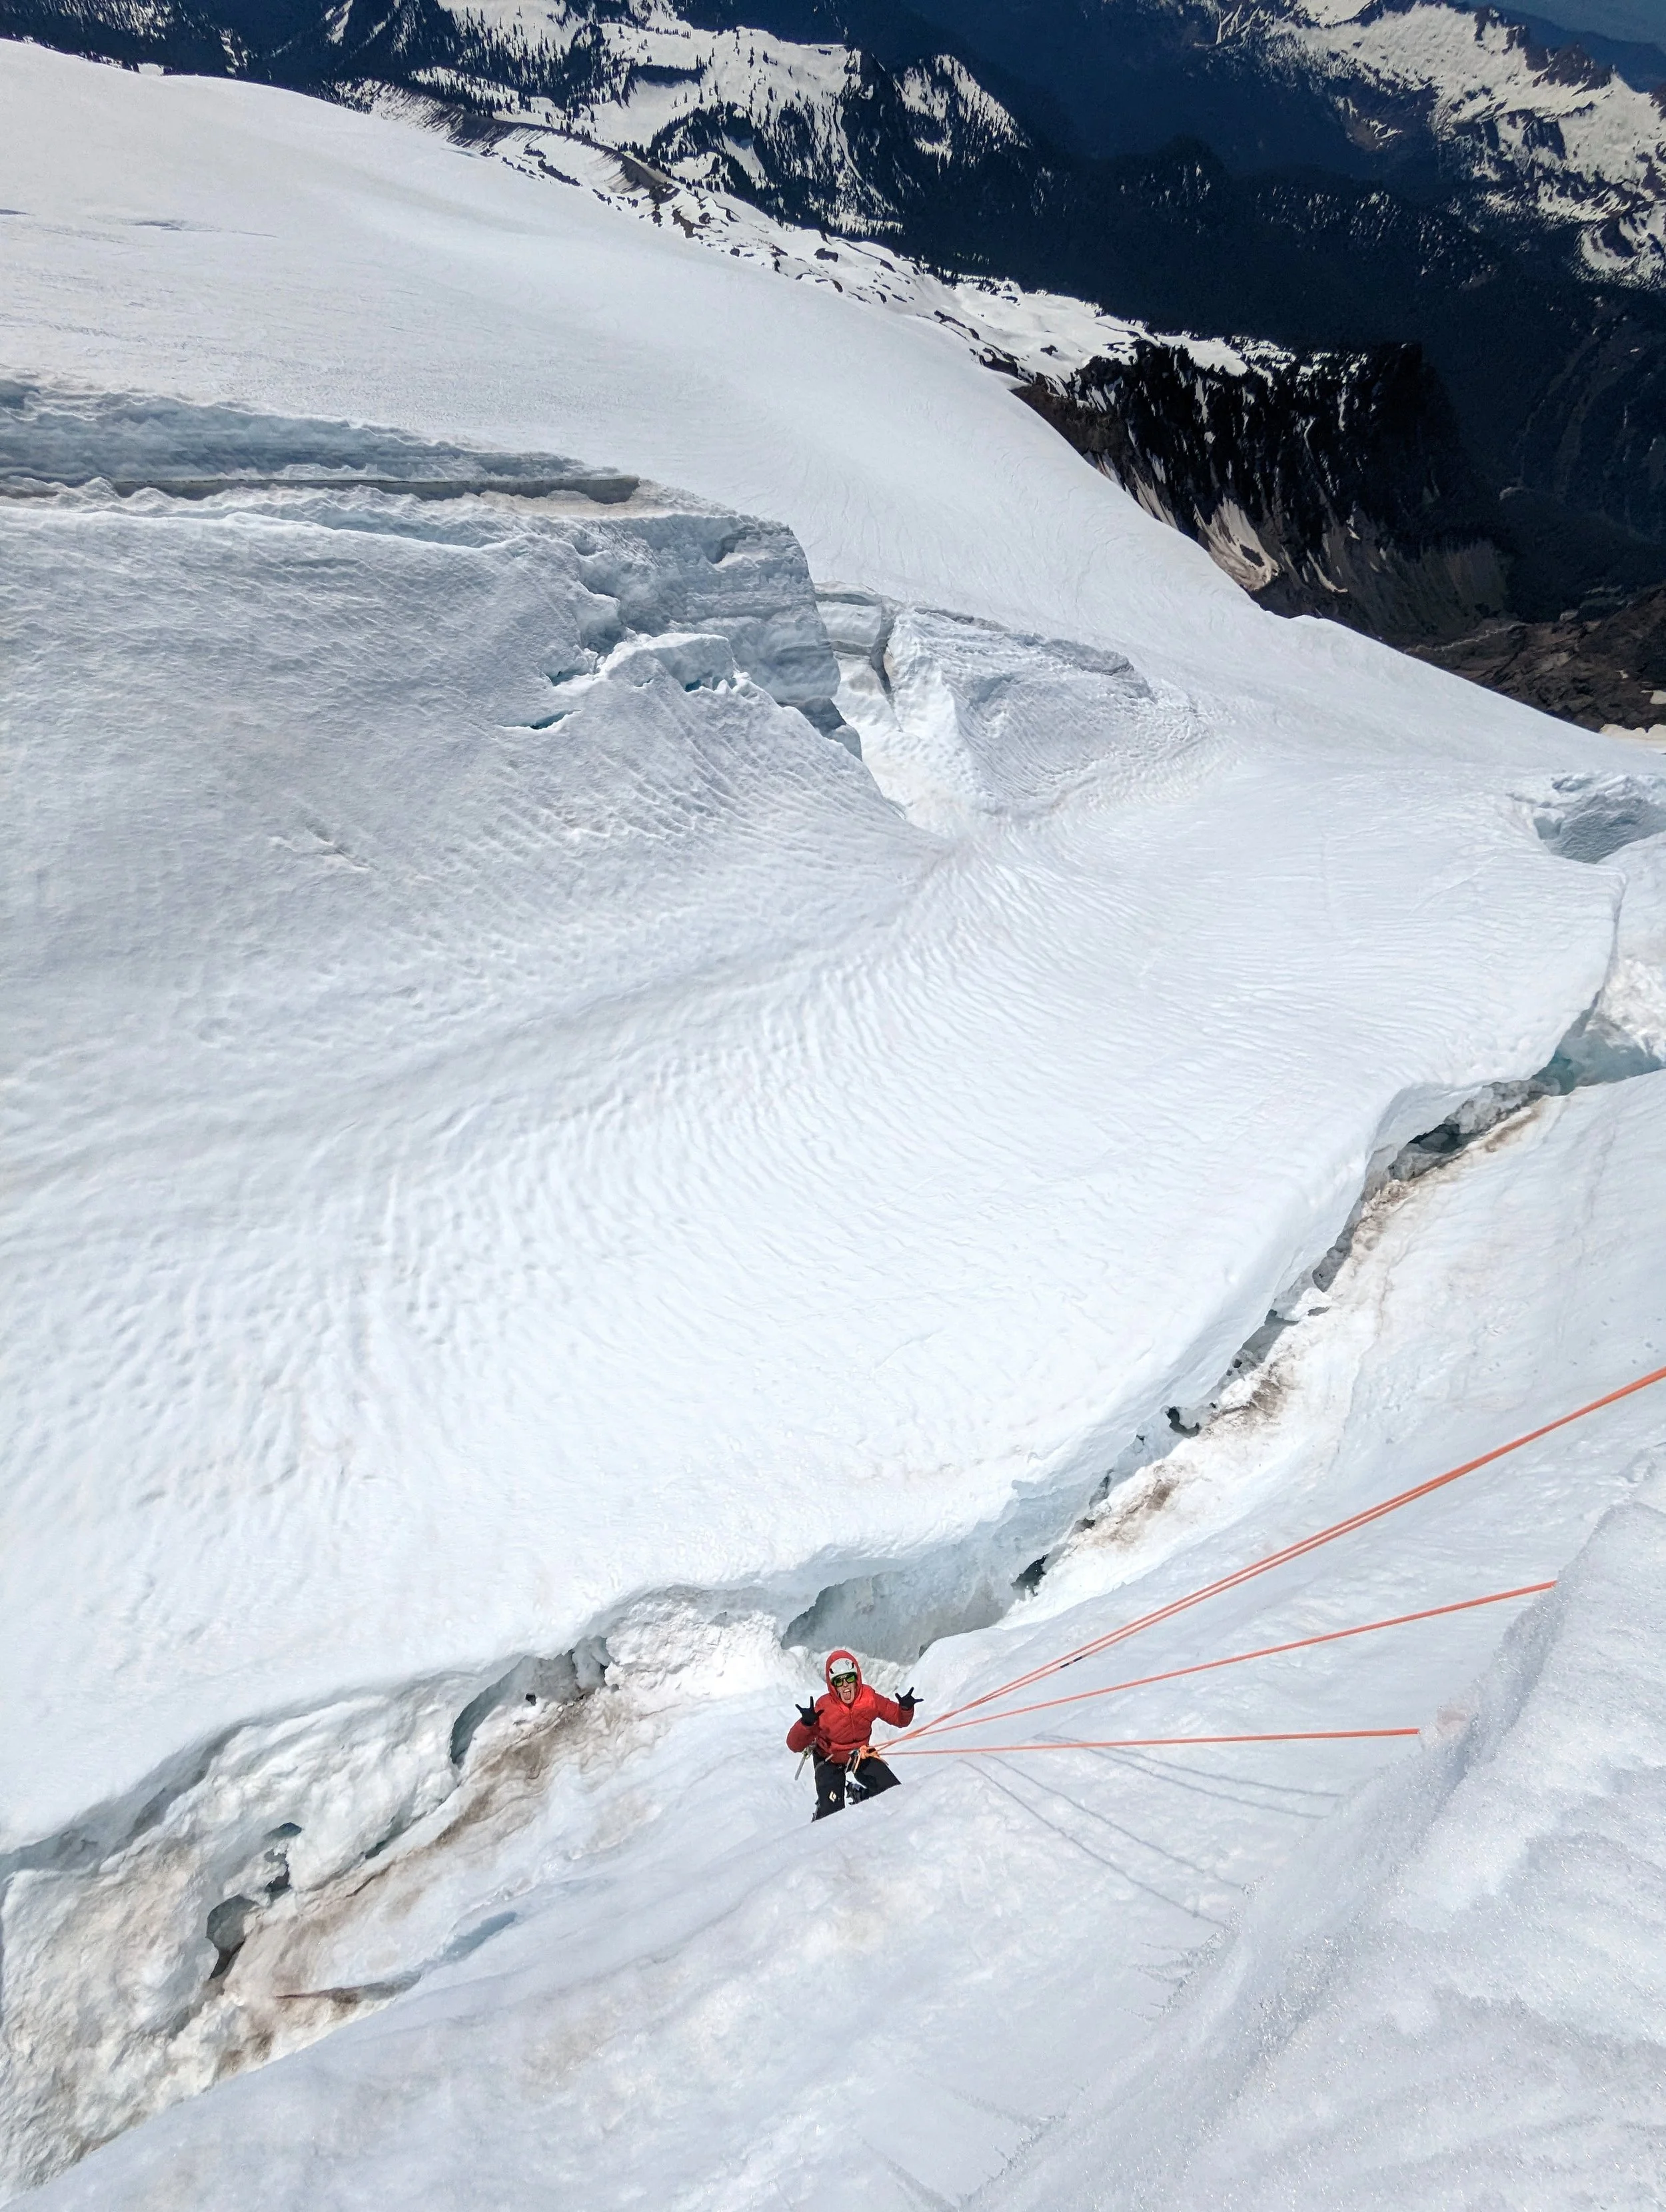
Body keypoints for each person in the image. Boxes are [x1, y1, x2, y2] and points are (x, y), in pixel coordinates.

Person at [786, 1648, 918, 1820]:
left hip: (860, 1756)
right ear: (833, 1685)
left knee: (894, 1793)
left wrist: (906, 1709)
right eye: (839, 1681)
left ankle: (861, 1795)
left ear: (857, 1679)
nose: (845, 1685)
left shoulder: (869, 1699)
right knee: (831, 1816)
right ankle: (822, 1813)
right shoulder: (823, 1708)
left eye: (849, 1678)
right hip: (829, 1761)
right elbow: (793, 1745)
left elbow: (899, 1719)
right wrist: (805, 1725)